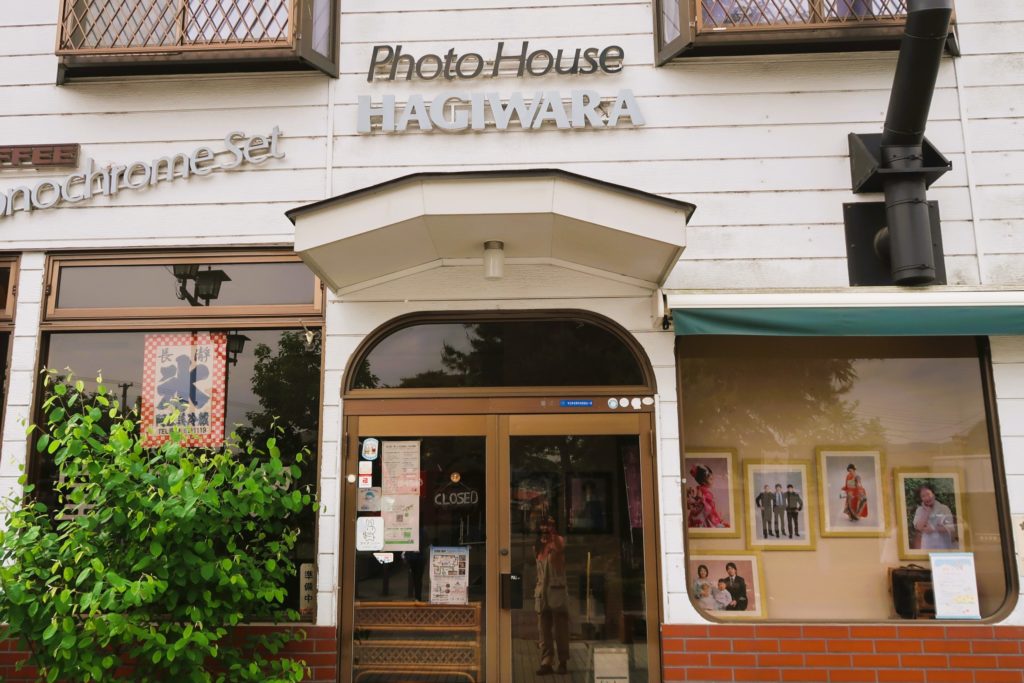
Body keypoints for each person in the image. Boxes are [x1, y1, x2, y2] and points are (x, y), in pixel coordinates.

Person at [534, 516, 569, 675]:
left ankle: (563, 661)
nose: (545, 529)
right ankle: (546, 661)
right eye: (542, 525)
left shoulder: (558, 540)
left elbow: (560, 548)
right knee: (543, 630)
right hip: (541, 592)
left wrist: (553, 535)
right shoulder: (537, 545)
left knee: (561, 629)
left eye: (548, 525)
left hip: (556, 590)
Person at [913, 485, 956, 550]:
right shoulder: (919, 510)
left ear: (933, 494)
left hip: (943, 546)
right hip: (927, 546)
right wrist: (927, 512)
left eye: (928, 494)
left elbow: (951, 528)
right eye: (923, 496)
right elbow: (919, 527)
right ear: (921, 499)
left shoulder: (944, 508)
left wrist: (933, 529)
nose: (927, 498)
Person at [687, 464, 730, 529]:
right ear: (704, 482)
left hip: (706, 509)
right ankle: (709, 524)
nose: (713, 481)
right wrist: (702, 500)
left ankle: (712, 522)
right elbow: (699, 499)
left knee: (711, 514)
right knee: (708, 518)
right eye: (711, 479)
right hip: (703, 510)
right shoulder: (700, 489)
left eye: (712, 478)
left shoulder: (703, 489)